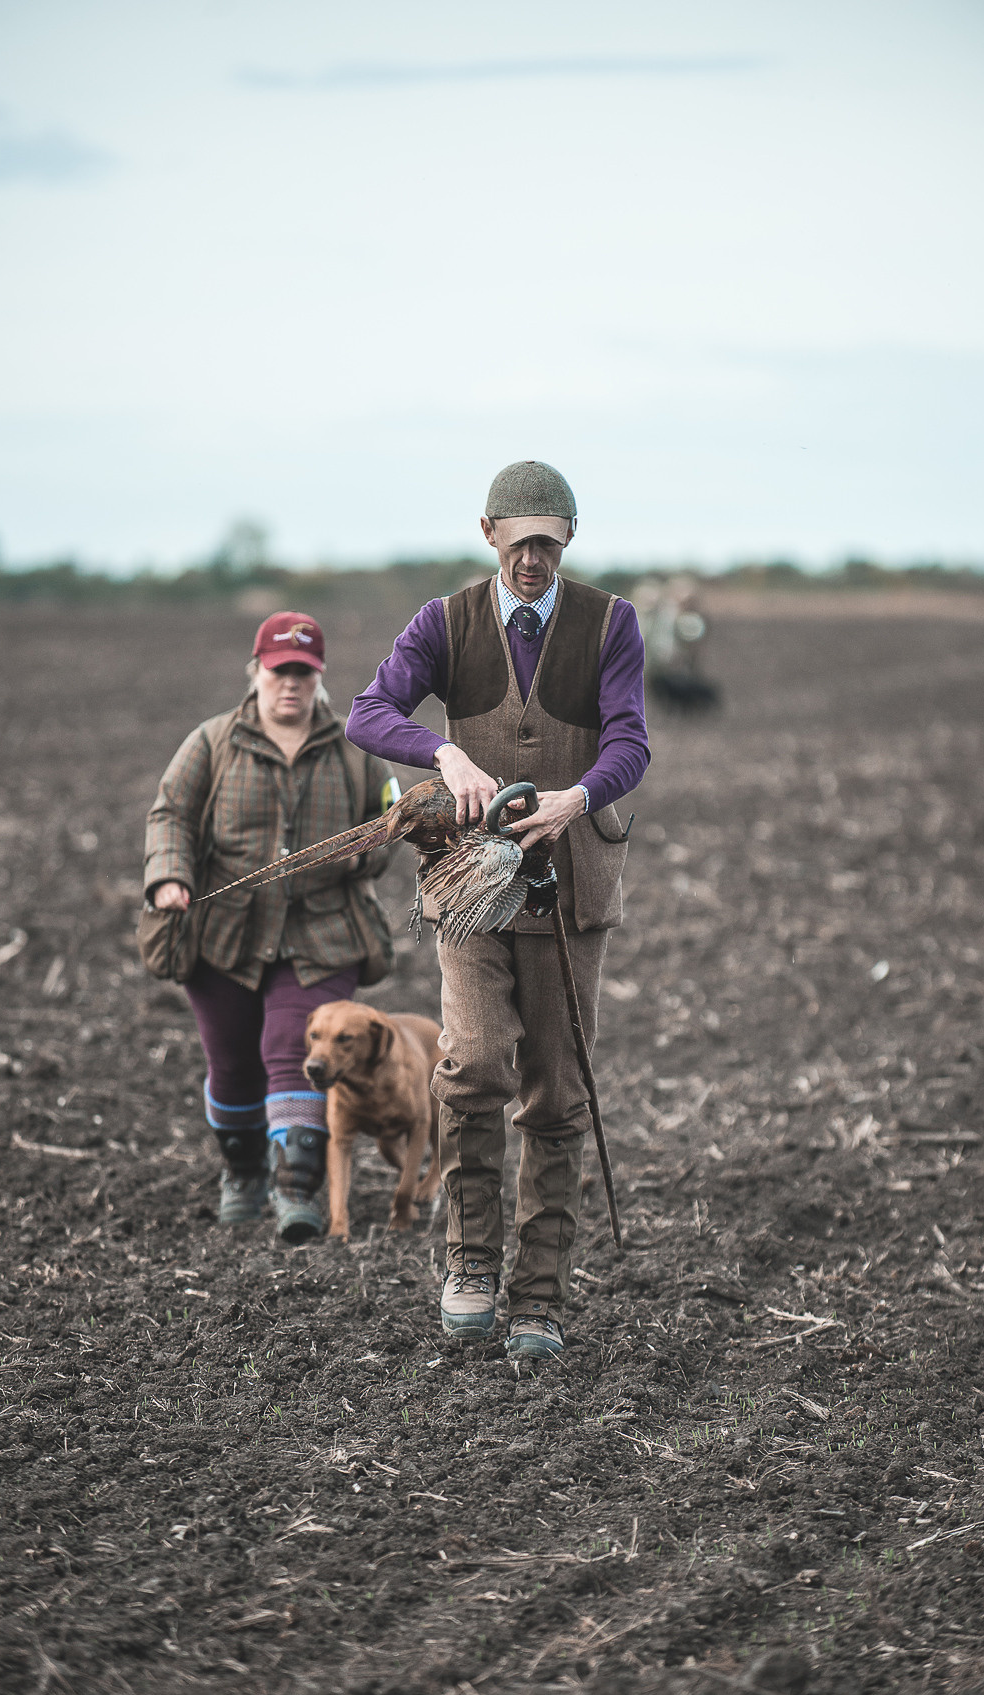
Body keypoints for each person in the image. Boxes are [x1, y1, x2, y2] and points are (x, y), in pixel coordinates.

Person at [346, 460, 650, 1357]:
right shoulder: (442, 623)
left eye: (548, 544)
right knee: (473, 1068)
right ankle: (471, 1261)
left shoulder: (611, 623)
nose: (532, 560)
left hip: (569, 895)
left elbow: (630, 738)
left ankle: (540, 1299)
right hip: (470, 890)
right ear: (488, 534)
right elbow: (369, 711)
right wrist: (442, 756)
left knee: (556, 1094)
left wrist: (578, 797)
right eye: (518, 542)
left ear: (568, 539)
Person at [143, 611, 399, 1243]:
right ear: (255, 670)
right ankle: (245, 1173)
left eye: (304, 673)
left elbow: (389, 821)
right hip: (223, 932)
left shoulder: (356, 748)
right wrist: (169, 878)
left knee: (294, 1051)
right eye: (280, 671)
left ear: (320, 676)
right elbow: (170, 813)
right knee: (231, 1063)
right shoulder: (211, 742)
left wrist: (359, 854)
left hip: (323, 932)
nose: (291, 684)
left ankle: (297, 1191)